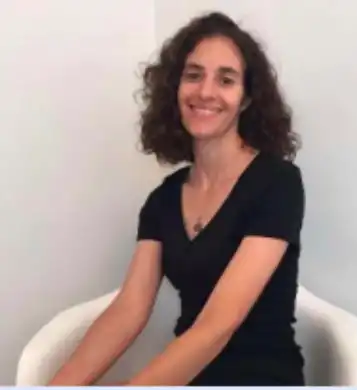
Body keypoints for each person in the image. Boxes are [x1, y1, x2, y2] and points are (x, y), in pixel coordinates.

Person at [48, 11, 305, 386]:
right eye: (193, 74)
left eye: (226, 79)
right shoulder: (163, 200)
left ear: (247, 99)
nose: (205, 92)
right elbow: (128, 311)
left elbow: (217, 327)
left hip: (263, 376)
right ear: (176, 87)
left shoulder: (277, 183)